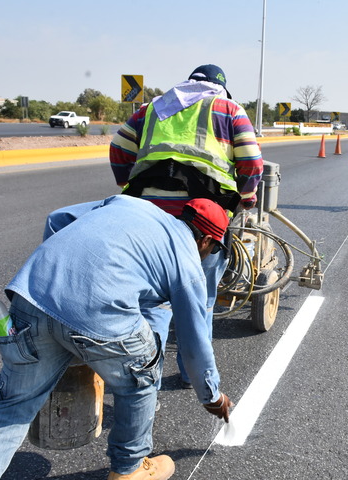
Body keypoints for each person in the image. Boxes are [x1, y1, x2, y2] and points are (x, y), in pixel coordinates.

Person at [0, 196, 234, 480]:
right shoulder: (189, 266)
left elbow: (58, 218)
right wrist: (211, 396)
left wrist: (69, 276)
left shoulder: (129, 204)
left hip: (32, 297)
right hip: (100, 313)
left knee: (9, 406)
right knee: (142, 374)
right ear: (206, 241)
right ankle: (129, 468)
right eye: (211, 250)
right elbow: (194, 342)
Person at [110, 64, 263, 388]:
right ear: (220, 88)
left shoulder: (151, 108)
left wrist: (133, 186)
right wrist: (246, 198)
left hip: (147, 215)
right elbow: (251, 161)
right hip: (201, 219)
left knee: (151, 300)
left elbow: (119, 149)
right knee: (199, 301)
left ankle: (143, 379)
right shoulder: (228, 108)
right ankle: (192, 374)